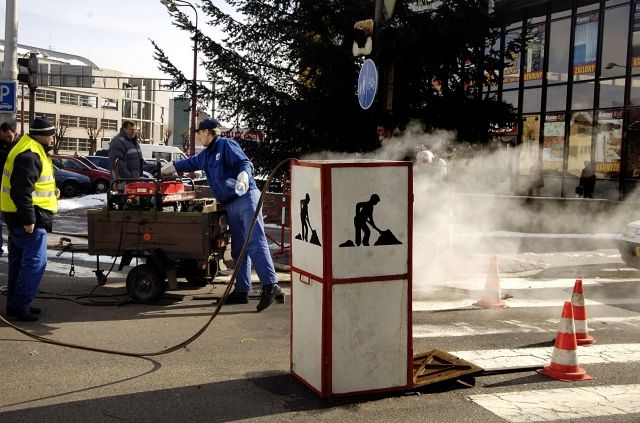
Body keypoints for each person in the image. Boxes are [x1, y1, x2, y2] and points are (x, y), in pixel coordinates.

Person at [160, 118, 282, 312]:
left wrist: (244, 176)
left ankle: (270, 285)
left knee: (255, 241)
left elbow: (245, 162)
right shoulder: (206, 155)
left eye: (199, 133)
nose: (198, 136)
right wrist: (174, 166)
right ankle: (242, 290)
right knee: (239, 249)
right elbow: (191, 162)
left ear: (208, 132)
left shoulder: (225, 145)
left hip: (246, 196)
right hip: (231, 204)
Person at [1, 117, 58, 321]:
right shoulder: (30, 153)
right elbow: (21, 190)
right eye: (51, 134)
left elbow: (29, 185)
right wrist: (28, 219)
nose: (52, 138)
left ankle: (15, 305)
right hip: (29, 217)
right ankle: (21, 304)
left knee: (19, 262)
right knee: (35, 262)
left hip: (17, 215)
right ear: (42, 135)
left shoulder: (25, 147)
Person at [0, 121, 18, 256]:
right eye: (4, 136)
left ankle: (14, 247)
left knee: (13, 222)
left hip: (13, 191)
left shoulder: (18, 147)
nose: (7, 139)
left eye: (9, 136)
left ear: (15, 133)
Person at [108, 120, 143, 187]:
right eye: (131, 129)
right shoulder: (118, 142)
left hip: (134, 182)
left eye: (134, 130)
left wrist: (140, 176)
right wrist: (129, 178)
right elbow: (117, 164)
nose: (133, 132)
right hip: (123, 183)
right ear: (124, 129)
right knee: (123, 197)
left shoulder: (134, 142)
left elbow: (140, 160)